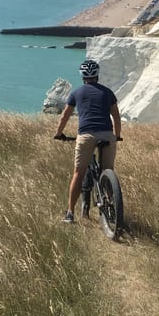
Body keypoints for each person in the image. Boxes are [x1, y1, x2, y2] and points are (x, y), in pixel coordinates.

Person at [54, 59, 122, 223]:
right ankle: (112, 209)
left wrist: (59, 133)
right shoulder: (107, 92)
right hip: (107, 135)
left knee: (78, 173)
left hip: (86, 136)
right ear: (97, 75)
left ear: (82, 77)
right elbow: (116, 117)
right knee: (108, 170)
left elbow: (65, 116)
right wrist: (117, 136)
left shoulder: (76, 93)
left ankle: (70, 213)